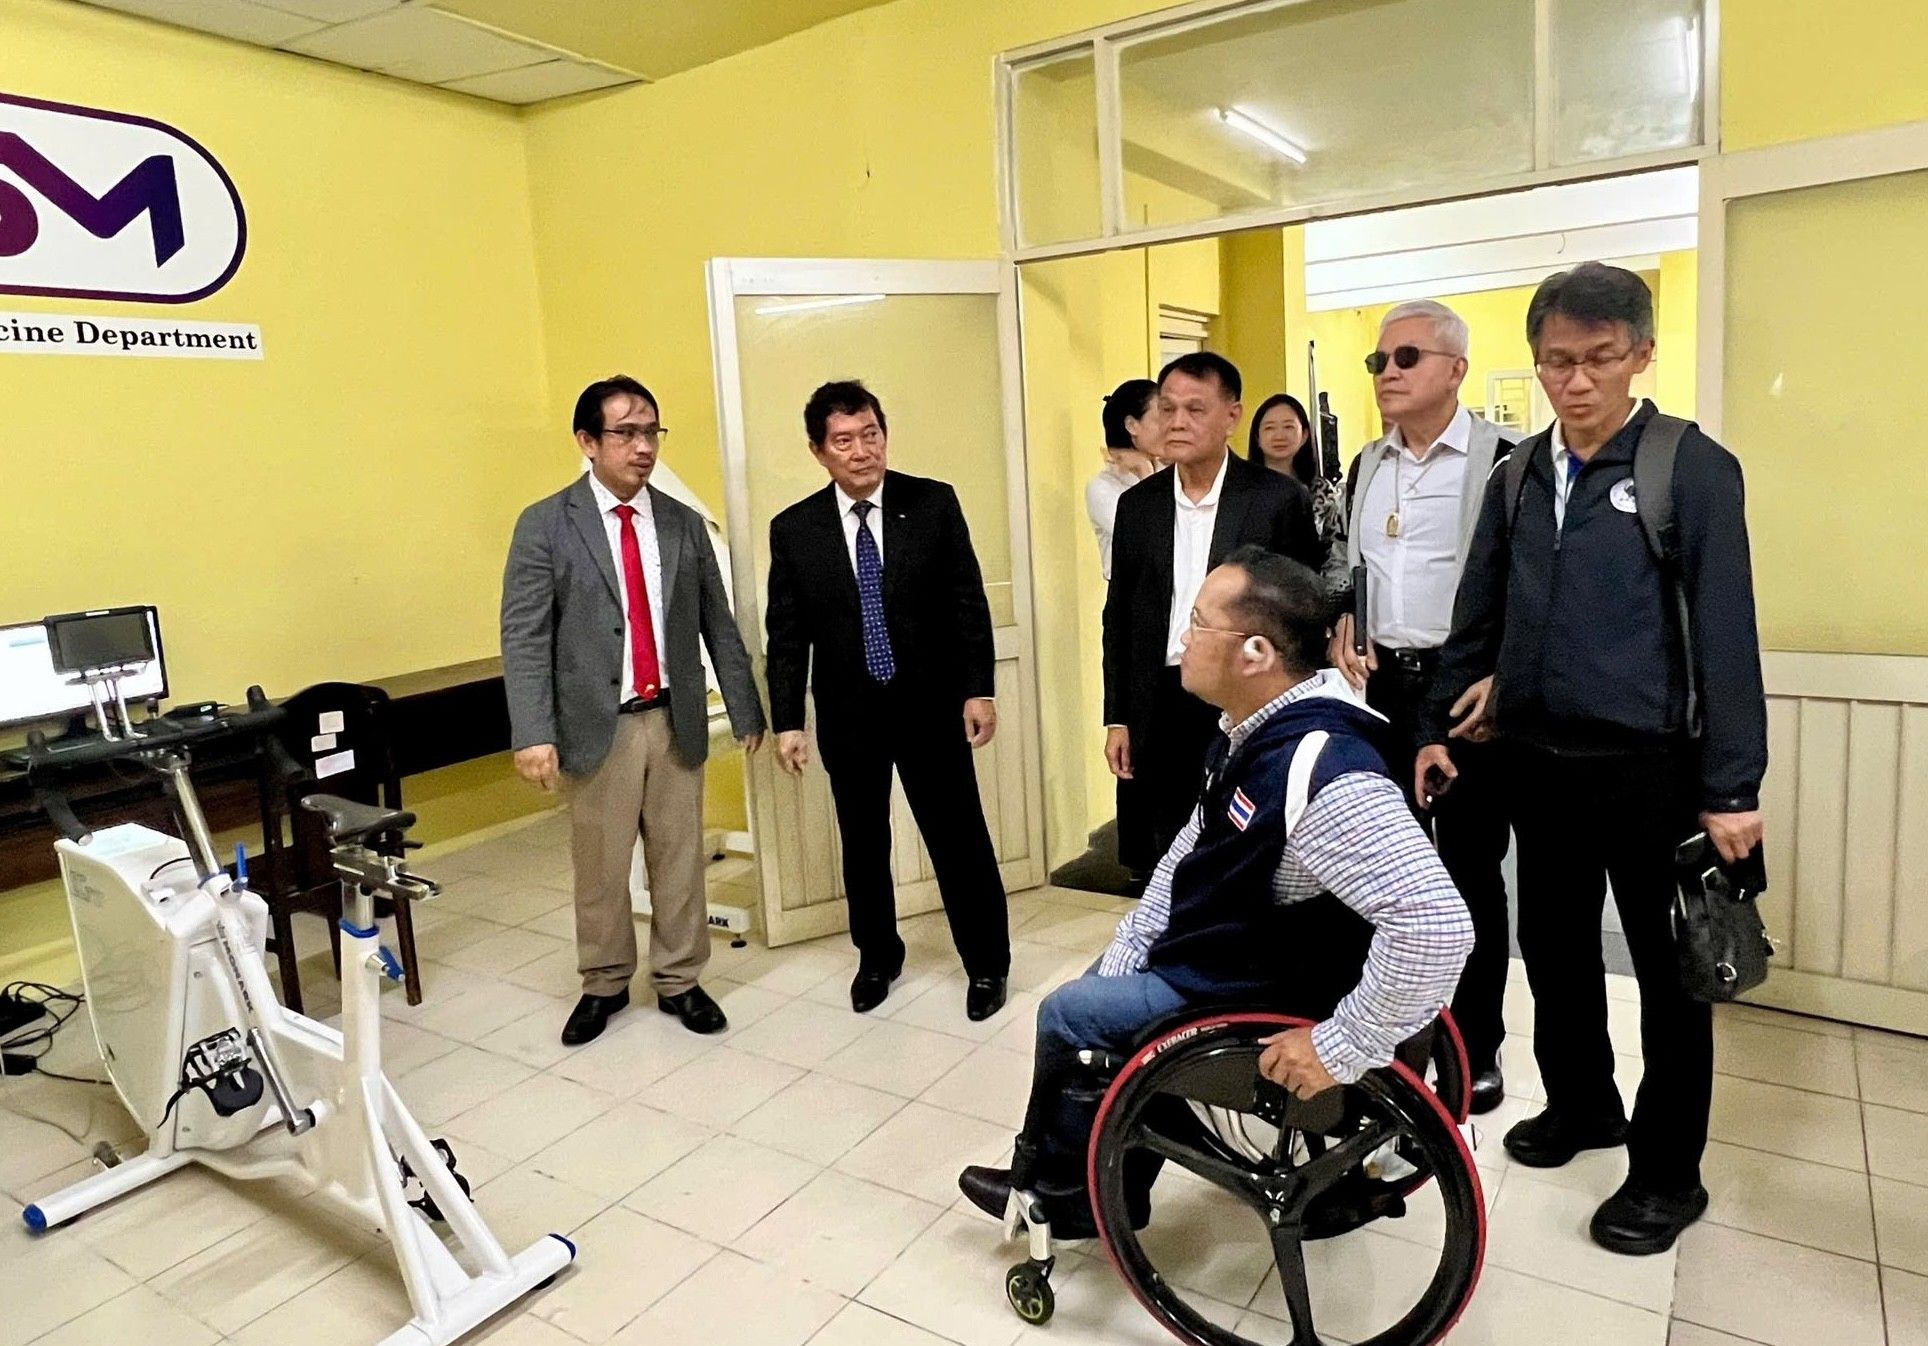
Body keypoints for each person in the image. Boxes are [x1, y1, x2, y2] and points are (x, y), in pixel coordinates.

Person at [959, 549, 1474, 1232]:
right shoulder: (1254, 731)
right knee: (1106, 975)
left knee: (1067, 1012)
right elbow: (1191, 846)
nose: (1182, 640)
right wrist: (1135, 939)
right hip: (1235, 950)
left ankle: (1064, 1195)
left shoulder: (1322, 771)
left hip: (1264, 982)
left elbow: (1437, 924)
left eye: (1199, 623)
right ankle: (1110, 1175)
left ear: (1256, 652)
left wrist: (1340, 1045)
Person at [1417, 262, 1768, 1256]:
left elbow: (1727, 633)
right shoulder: (1518, 476)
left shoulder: (1687, 467)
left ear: (1640, 355)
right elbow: (1479, 613)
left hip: (1654, 769)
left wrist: (1732, 787)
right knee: (1555, 949)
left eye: (1598, 359)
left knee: (1669, 977)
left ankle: (1667, 1173)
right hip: (1539, 761)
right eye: (1555, 361)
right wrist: (1438, 721)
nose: (1574, 381)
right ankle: (1582, 1103)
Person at [501, 375, 767, 1046]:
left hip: (674, 717)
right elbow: (525, 635)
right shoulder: (545, 524)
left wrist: (745, 707)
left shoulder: (680, 523)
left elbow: (717, 621)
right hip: (598, 725)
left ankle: (680, 978)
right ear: (588, 441)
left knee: (679, 860)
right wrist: (533, 732)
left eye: (651, 432)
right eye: (625, 433)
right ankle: (604, 981)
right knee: (601, 864)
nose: (643, 446)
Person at [1323, 300, 1517, 1115]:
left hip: (1467, 688)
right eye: (1379, 361)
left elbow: (1529, 583)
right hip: (1384, 691)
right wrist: (1344, 615)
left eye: (1407, 357)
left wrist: (1505, 673)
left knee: (1467, 874)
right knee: (1383, 876)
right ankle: (1390, 1039)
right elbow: (1349, 562)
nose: (1388, 373)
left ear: (1456, 369)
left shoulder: (1505, 461)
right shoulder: (1368, 464)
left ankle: (1474, 1046)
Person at [765, 380, 1011, 1020]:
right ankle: (877, 957)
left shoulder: (932, 504)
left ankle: (987, 964)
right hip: (849, 716)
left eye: (870, 434)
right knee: (864, 844)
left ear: (884, 434)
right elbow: (786, 632)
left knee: (958, 838)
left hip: (931, 708)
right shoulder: (795, 529)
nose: (861, 450)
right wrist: (788, 720)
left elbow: (967, 601)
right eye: (844, 440)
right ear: (819, 451)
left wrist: (978, 688)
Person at [1103, 352, 1322, 878]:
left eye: (1195, 409)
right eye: (1167, 409)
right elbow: (1120, 617)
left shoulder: (1276, 500)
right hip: (1161, 696)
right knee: (1170, 848)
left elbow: (1302, 614)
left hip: (1244, 694)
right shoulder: (1138, 506)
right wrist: (1118, 716)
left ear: (1232, 416)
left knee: (1247, 845)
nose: (1177, 422)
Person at [1086, 378, 1165, 581]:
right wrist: (1145, 471)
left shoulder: (1171, 470)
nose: (1170, 427)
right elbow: (1149, 538)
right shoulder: (1102, 487)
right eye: (1161, 419)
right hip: (1131, 594)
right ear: (1132, 425)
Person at [1248, 391, 1341, 556]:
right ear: (1257, 438)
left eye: (1288, 427)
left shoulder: (1321, 491)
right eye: (1269, 428)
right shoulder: (1241, 489)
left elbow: (1335, 551)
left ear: (1304, 435)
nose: (1279, 436)